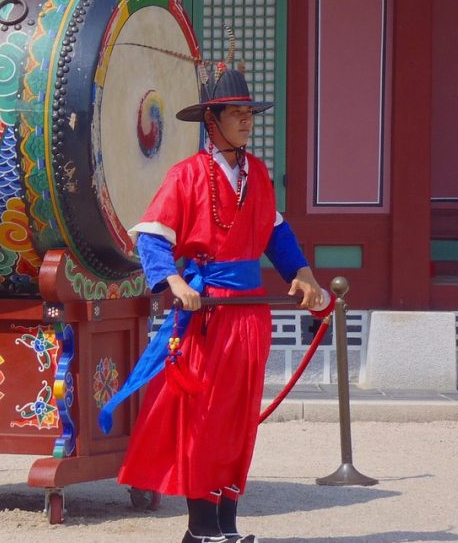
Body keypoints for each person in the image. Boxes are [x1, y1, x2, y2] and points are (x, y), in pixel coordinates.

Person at [98, 36, 332, 543]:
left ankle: (227, 524)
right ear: (212, 120)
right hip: (207, 313)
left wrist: (303, 274)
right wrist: (175, 281)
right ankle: (200, 528)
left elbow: (276, 233)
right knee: (204, 416)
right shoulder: (185, 176)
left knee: (239, 418)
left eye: (250, 112)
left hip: (250, 315)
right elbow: (154, 237)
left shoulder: (260, 175)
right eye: (236, 112)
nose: (247, 121)